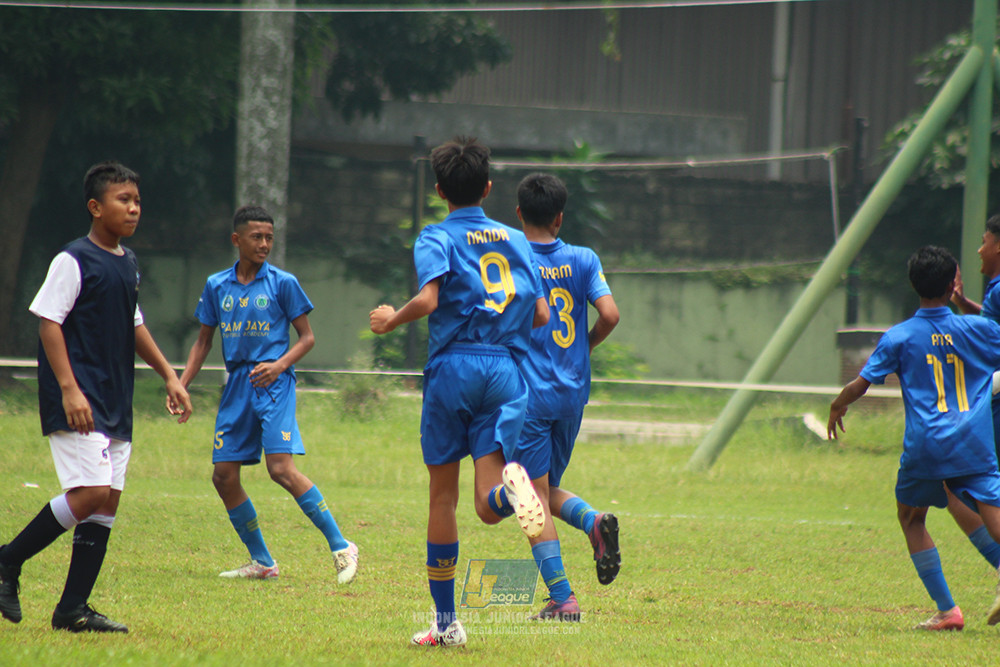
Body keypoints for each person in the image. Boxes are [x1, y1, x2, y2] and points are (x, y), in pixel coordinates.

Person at [370, 136, 551, 648]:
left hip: (453, 368)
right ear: (489, 188)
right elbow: (539, 314)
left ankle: (447, 624)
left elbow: (429, 299)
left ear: (440, 190)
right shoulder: (516, 240)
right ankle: (510, 488)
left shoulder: (436, 236)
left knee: (443, 497)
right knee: (485, 502)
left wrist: (390, 321)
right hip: (505, 372)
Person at [0, 161, 193, 633]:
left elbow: (134, 323)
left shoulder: (127, 262)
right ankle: (7, 560)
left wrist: (171, 376)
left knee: (107, 504)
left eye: (137, 201)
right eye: (123, 200)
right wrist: (69, 389)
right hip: (78, 396)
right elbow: (48, 321)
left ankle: (72, 610)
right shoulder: (73, 259)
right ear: (95, 207)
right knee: (91, 494)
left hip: (114, 397)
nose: (133, 209)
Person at [178, 205, 358, 585]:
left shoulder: (283, 283)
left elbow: (307, 338)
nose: (264, 244)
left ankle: (342, 546)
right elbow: (203, 343)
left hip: (274, 383)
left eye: (269, 238)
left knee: (281, 469)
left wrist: (278, 365)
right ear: (236, 240)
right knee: (224, 477)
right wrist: (181, 384)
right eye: (256, 237)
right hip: (237, 385)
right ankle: (262, 561)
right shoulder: (217, 285)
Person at [827, 245, 1000, 631]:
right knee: (993, 514)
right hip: (973, 443)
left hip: (926, 447)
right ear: (954, 281)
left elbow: (862, 384)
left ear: (913, 284)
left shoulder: (900, 336)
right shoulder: (981, 329)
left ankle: (948, 610)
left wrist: (838, 404)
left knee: (911, 517)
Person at [508, 173, 621, 621]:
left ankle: (562, 598)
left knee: (527, 499)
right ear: (559, 217)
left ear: (518, 215)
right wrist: (584, 346)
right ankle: (592, 523)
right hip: (573, 394)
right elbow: (610, 314)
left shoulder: (511, 258)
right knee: (543, 489)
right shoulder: (583, 258)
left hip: (529, 397)